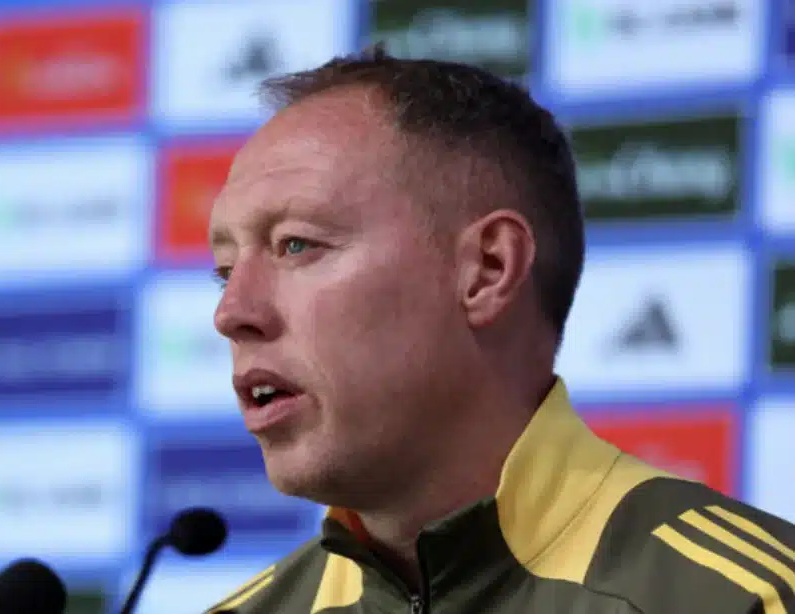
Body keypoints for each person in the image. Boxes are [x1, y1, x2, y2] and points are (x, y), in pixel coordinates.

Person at [202, 44, 795, 614]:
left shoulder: (740, 600)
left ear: (488, 270)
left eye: (296, 245)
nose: (231, 312)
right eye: (225, 271)